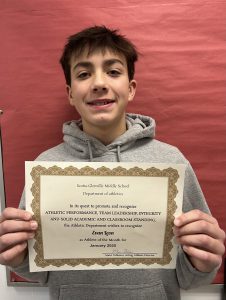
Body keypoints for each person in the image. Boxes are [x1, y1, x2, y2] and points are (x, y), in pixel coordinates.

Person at [0, 26, 225, 300]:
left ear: (130, 89)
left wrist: (204, 260)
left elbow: (193, 275)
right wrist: (19, 255)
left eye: (113, 71)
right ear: (70, 94)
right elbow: (38, 272)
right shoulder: (47, 167)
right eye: (84, 74)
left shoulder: (170, 162)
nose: (98, 83)